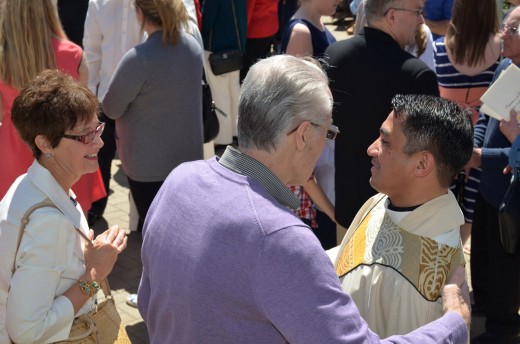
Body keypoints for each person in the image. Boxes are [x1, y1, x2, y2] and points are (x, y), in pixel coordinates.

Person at [137, 54, 470, 343]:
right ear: (304, 135)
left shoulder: (179, 179)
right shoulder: (279, 239)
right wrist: (455, 323)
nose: (327, 143)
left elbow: (148, 300)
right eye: (328, 132)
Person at [327, 94, 473, 338]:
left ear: (421, 164)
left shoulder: (425, 280)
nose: (371, 149)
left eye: (385, 142)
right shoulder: (381, 201)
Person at [0, 69, 127, 343]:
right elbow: (26, 331)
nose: (100, 142)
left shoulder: (29, 184)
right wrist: (94, 273)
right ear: (46, 143)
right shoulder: (49, 222)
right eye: (85, 136)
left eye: (98, 128)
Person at [325, 0, 439, 242]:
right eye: (417, 12)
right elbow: (430, 154)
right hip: (400, 219)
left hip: (348, 209)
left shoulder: (334, 55)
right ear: (392, 15)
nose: (422, 21)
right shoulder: (418, 76)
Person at [102, 0, 204, 234]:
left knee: (156, 235)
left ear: (140, 14)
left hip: (148, 168)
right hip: (187, 160)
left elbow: (111, 108)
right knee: (181, 231)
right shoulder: (192, 47)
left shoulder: (138, 59)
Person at [0, 0, 106, 212]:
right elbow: (84, 116)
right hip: (64, 149)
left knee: (17, 221)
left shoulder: (3, 56)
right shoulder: (74, 55)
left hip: (15, 145)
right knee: (69, 225)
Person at [464, 6, 520, 343]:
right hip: (486, 186)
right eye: (505, 27)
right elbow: (486, 117)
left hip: (510, 197)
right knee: (482, 256)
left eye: (513, 29)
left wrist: (478, 157)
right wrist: (472, 152)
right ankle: (482, 306)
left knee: (506, 266)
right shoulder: (504, 68)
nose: (503, 35)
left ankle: (503, 328)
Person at [433, 0, 501, 254]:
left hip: (444, 145)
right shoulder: (503, 54)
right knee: (470, 216)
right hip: (482, 146)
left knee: (443, 214)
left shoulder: (438, 50)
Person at [278, 1, 338, 248]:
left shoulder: (317, 24)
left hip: (318, 157)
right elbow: (293, 109)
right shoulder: (301, 32)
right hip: (309, 177)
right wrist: (333, 213)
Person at [83, 0, 145, 224]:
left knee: (140, 164)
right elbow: (91, 55)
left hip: (141, 101)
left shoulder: (150, 5)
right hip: (105, 101)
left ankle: (141, 214)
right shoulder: (98, 5)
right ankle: (95, 206)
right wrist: (88, 106)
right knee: (99, 157)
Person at [201, 0, 247, 146]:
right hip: (235, 47)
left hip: (215, 47)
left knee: (220, 94)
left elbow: (208, 20)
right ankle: (237, 131)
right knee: (234, 92)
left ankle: (223, 137)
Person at [240, 0, 279, 82]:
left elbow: (247, 11)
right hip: (271, 25)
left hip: (256, 31)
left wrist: (241, 33)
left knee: (249, 68)